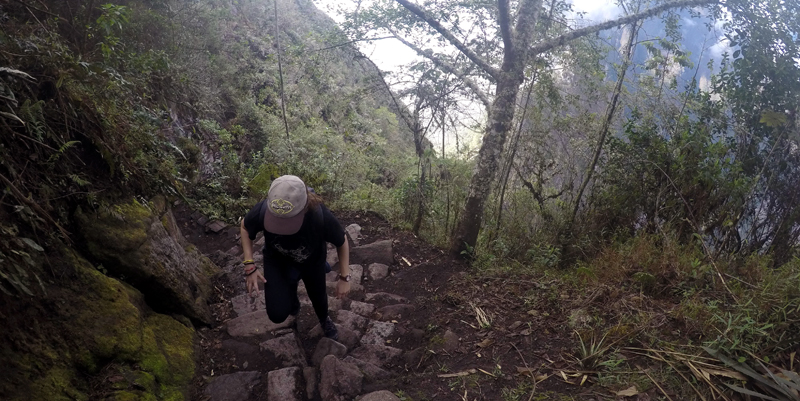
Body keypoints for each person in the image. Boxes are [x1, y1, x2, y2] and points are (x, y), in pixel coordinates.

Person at [240, 175, 351, 340]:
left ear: (304, 207)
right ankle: (292, 297)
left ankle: (323, 319)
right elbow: (245, 226)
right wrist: (249, 264)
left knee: (318, 295)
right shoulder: (264, 210)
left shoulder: (319, 215)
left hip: (312, 261)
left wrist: (344, 277)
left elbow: (342, 241)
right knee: (277, 314)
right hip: (277, 261)